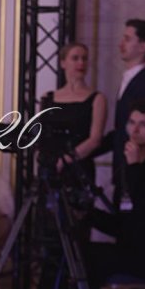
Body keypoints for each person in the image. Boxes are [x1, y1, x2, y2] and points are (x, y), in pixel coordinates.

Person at [89, 99, 145, 289]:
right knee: (77, 253)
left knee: (87, 260)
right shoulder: (128, 165)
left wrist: (134, 167)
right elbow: (124, 223)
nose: (135, 130)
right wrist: (88, 215)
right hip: (131, 249)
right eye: (132, 123)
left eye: (144, 124)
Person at [99, 19, 145, 202]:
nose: (121, 44)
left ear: (143, 47)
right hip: (126, 169)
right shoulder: (133, 80)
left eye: (127, 39)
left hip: (137, 175)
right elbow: (120, 130)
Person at [40, 42, 107, 185]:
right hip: (50, 166)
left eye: (84, 58)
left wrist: (65, 160)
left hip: (80, 168)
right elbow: (40, 134)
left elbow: (95, 140)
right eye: (75, 58)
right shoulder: (48, 97)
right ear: (63, 63)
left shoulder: (97, 99)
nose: (81, 63)